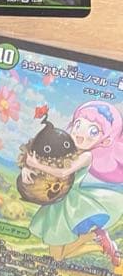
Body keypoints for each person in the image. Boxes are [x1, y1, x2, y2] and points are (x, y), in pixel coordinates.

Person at [21, 101, 123, 267]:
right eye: (78, 125)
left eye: (93, 131)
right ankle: (98, 240)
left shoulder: (87, 156)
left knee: (57, 256)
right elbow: (49, 163)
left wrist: (35, 165)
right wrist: (27, 169)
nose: (80, 134)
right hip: (56, 201)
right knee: (57, 256)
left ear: (104, 141)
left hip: (69, 205)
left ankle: (96, 238)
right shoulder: (68, 148)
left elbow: (63, 173)